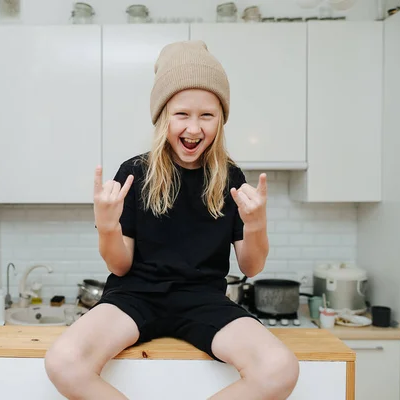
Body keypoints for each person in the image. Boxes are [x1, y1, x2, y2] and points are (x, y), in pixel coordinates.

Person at [45, 40, 299, 400]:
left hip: (203, 300)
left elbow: (252, 266)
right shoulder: (135, 172)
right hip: (134, 296)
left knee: (280, 368)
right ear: (163, 116)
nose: (194, 129)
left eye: (207, 115)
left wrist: (256, 224)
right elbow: (120, 266)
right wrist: (107, 225)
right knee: (63, 361)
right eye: (182, 114)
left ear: (221, 120)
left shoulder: (231, 178)